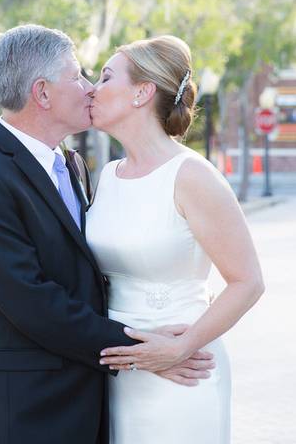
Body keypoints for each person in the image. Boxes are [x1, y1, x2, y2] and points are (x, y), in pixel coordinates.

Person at [0, 25, 214, 444]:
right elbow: (32, 301)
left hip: (94, 398)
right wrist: (143, 349)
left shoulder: (72, 165)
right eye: (77, 76)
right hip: (28, 405)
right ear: (43, 93)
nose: (89, 88)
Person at [87, 36, 265, 444]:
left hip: (184, 372)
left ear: (142, 92)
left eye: (107, 76)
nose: (92, 88)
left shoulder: (191, 176)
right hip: (120, 373)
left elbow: (248, 281)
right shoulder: (108, 177)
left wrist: (180, 348)